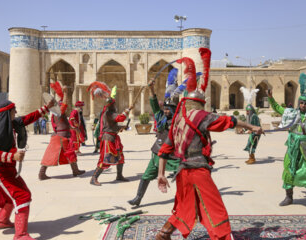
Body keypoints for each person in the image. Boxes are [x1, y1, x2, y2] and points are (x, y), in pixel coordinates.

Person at [156, 48, 263, 240]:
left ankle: (163, 234)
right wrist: (252, 127)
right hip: (198, 171)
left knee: (185, 206)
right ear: (200, 103)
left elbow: (164, 150)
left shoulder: (178, 120)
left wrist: (161, 174)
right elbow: (228, 122)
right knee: (215, 209)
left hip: (182, 173)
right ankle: (222, 237)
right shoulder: (201, 116)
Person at [0, 99, 54, 240]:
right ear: (8, 112)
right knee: (22, 195)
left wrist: (47, 107)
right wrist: (12, 156)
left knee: (11, 195)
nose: (16, 112)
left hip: (7, 169)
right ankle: (20, 235)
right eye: (14, 110)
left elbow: (28, 118)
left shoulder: (11, 124)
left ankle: (2, 221)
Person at [267, 73, 306, 211]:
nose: (303, 105)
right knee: (289, 171)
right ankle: (289, 197)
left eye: (305, 103)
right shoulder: (292, 113)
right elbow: (279, 109)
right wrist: (271, 99)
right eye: (301, 103)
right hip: (293, 147)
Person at [128, 69, 181, 207]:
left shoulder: (178, 122)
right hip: (158, 152)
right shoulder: (161, 117)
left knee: (184, 178)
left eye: (169, 109)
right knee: (146, 176)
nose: (166, 110)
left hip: (174, 155)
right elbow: (154, 104)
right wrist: (151, 89)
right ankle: (138, 198)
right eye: (166, 108)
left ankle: (186, 201)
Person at [39, 83, 85, 180]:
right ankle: (75, 171)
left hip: (59, 136)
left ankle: (42, 173)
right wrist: (65, 93)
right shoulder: (58, 112)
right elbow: (64, 104)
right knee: (68, 153)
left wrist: (73, 128)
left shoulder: (57, 114)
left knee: (58, 154)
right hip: (61, 137)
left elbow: (64, 125)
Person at [88, 84, 132, 186]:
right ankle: (93, 178)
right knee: (105, 159)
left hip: (113, 137)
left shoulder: (109, 112)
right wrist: (128, 109)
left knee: (120, 157)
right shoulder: (109, 113)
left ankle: (119, 175)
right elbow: (120, 118)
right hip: (108, 139)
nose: (115, 106)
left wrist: (123, 127)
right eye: (114, 105)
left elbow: (113, 126)